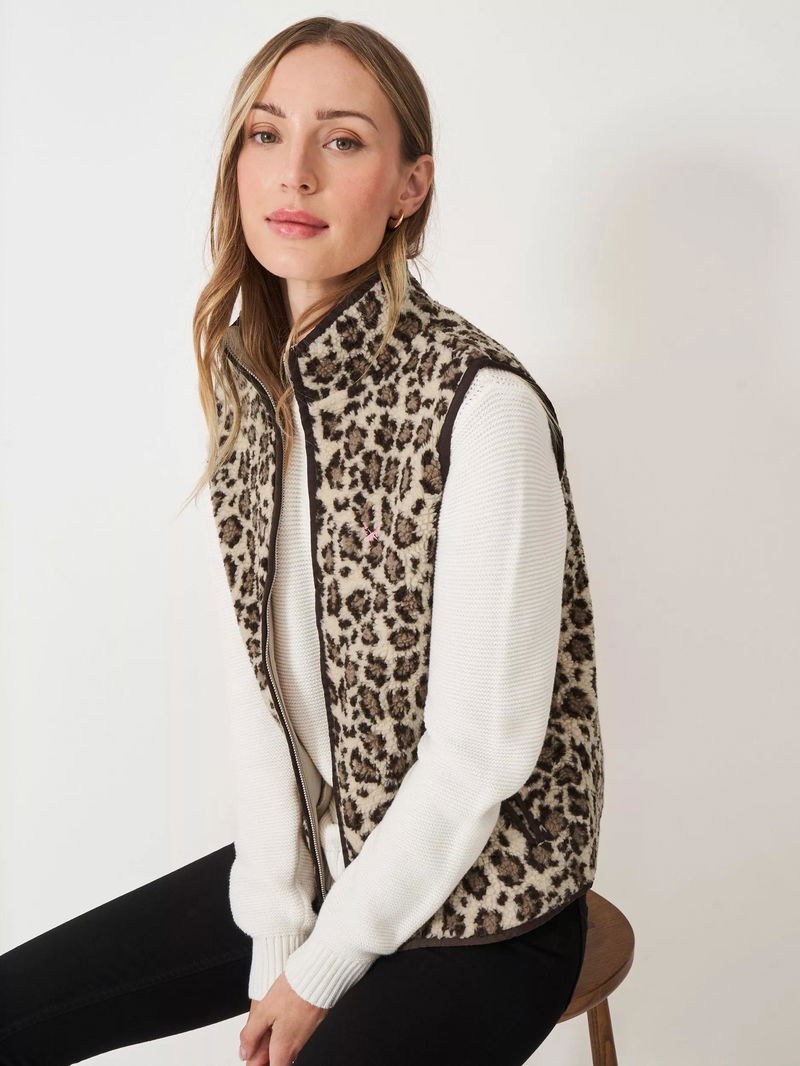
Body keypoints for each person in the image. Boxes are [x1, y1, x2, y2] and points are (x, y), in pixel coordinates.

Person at [0, 15, 602, 1066]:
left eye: (344, 140)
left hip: (489, 904)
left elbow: (479, 758)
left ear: (409, 186)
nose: (296, 173)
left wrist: (320, 969)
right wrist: (279, 929)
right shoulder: (252, 393)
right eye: (266, 134)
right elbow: (259, 694)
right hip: (328, 867)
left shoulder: (481, 406)